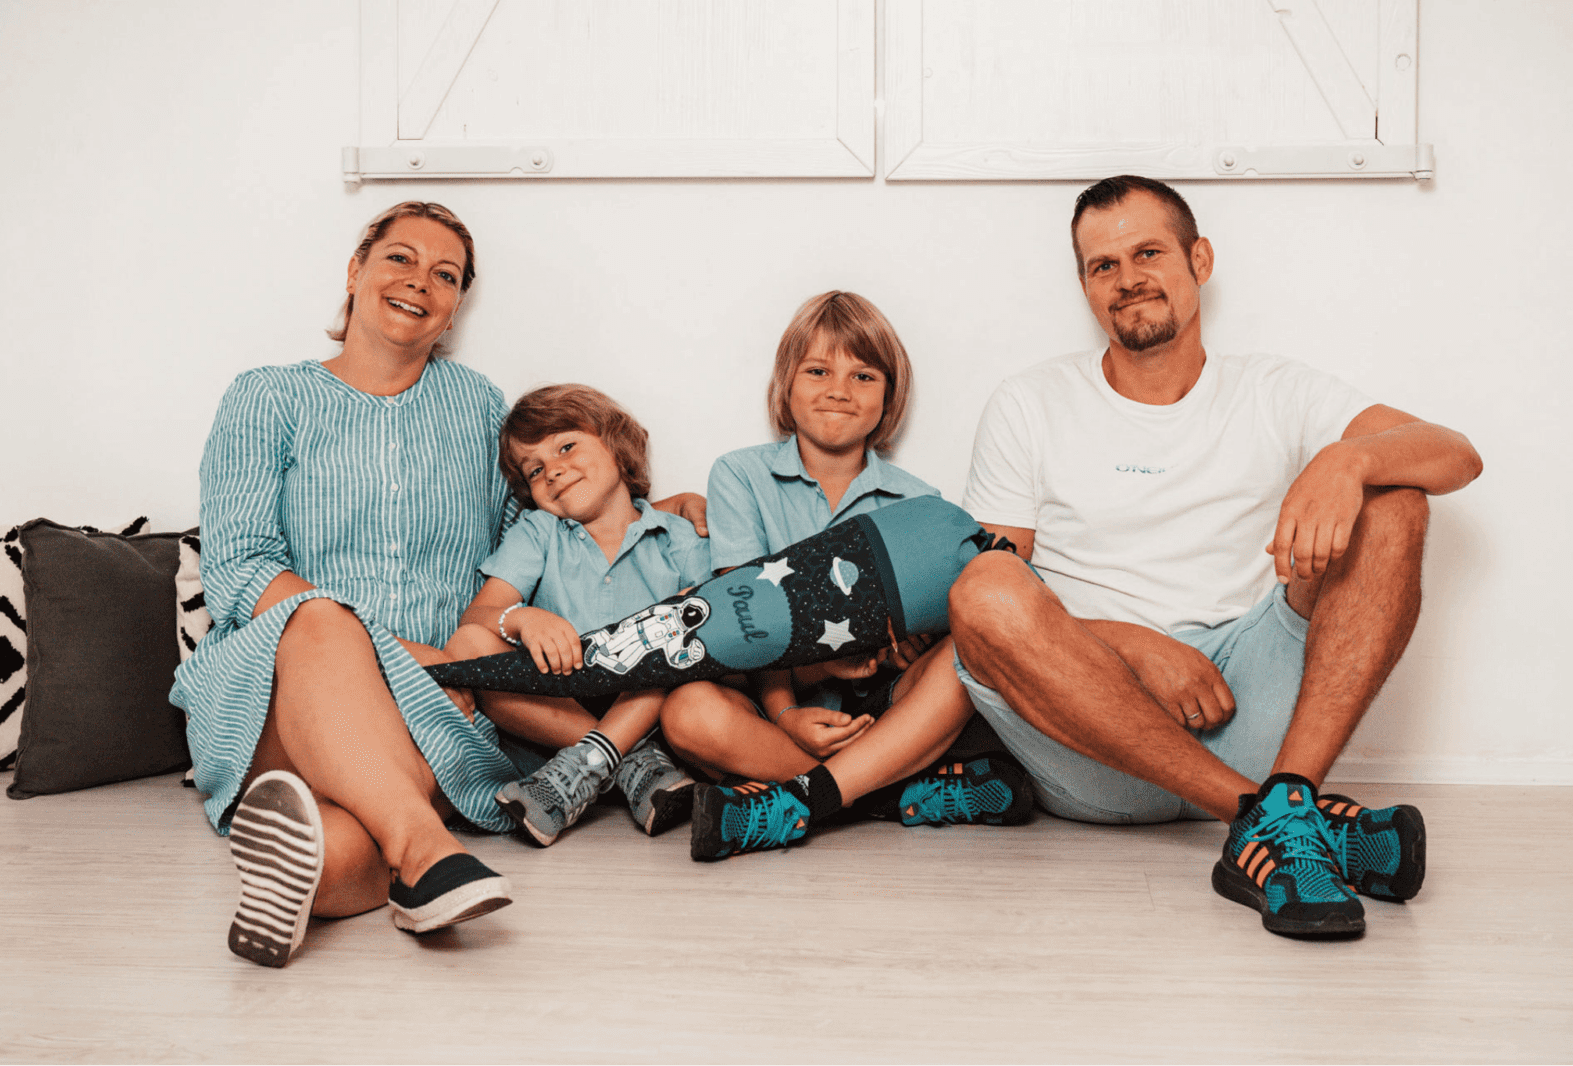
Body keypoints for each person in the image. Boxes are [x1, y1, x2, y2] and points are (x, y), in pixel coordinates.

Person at [947, 176, 1483, 938]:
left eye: (1148, 252)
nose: (1128, 278)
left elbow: (1456, 454)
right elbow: (995, 596)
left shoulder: (1274, 389)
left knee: (1397, 499)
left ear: (1199, 259)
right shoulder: (1030, 402)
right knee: (981, 585)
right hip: (1092, 738)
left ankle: (1286, 798)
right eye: (1103, 266)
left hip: (1246, 698)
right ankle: (1274, 822)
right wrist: (1133, 645)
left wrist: (1347, 464)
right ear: (1085, 287)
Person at [173, 203, 705, 968]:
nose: (419, 281)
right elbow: (242, 565)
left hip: (441, 699)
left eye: (445, 275)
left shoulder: (478, 406)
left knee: (347, 832)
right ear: (356, 272)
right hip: (285, 676)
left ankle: (324, 868)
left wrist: (665, 508)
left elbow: (539, 536)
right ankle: (428, 851)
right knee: (322, 620)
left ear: (453, 309)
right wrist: (398, 654)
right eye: (399, 258)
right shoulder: (266, 397)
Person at [665, 291, 1032, 861]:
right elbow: (745, 620)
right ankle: (893, 795)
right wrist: (787, 712)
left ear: (889, 397)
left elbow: (921, 631)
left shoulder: (919, 501)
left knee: (967, 648)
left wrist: (906, 644)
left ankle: (802, 798)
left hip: (882, 706)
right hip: (773, 699)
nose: (839, 389)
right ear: (786, 384)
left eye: (863, 375)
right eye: (818, 370)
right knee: (687, 712)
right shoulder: (740, 475)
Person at [445, 384, 709, 846]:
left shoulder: (678, 537)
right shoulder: (539, 531)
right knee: (470, 645)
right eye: (535, 469)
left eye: (566, 446)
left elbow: (712, 627)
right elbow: (479, 613)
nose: (554, 471)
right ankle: (625, 763)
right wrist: (522, 619)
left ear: (616, 444)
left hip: (651, 710)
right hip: (553, 721)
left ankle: (600, 761)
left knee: (694, 616)